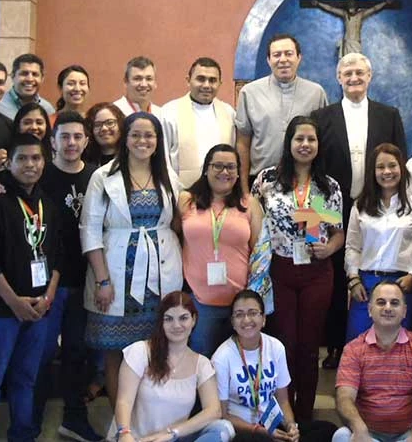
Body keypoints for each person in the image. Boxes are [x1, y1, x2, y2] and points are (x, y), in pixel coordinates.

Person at [80, 112, 183, 410]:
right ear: (124, 138)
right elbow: (90, 229)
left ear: (158, 140)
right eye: (135, 134)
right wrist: (102, 280)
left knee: (155, 351)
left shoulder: (167, 174)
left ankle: (149, 419)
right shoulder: (104, 176)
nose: (142, 141)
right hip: (116, 275)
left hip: (159, 275)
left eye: (149, 135)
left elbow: (179, 221)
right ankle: (122, 422)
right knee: (117, 353)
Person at [312, 52, 407, 369]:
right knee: (334, 277)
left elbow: (399, 161)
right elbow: (315, 170)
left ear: (370, 77)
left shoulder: (388, 115)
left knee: (373, 274)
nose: (354, 78)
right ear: (338, 77)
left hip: (377, 205)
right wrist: (318, 221)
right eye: (347, 73)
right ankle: (337, 345)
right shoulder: (322, 116)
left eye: (360, 73)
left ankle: (382, 344)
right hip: (332, 207)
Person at [0, 133, 63, 442]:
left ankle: (22, 436)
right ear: (10, 161)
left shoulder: (47, 203)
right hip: (0, 312)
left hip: (38, 310)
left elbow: (58, 256)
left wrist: (48, 297)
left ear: (44, 161)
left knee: (26, 379)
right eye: (22, 158)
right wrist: (14, 302)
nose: (30, 165)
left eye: (36, 158)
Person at [250, 115, 343, 422]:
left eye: (311, 140)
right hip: (280, 271)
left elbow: (338, 231)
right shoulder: (266, 181)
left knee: (309, 346)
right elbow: (250, 221)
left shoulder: (328, 187)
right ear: (289, 142)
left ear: (318, 145)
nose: (305, 145)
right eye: (299, 139)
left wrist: (328, 248)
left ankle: (303, 417)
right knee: (284, 343)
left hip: (317, 272)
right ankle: (282, 411)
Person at [32, 110, 102, 441]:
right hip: (47, 281)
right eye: (65, 136)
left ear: (86, 141)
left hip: (85, 279)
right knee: (42, 353)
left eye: (77, 137)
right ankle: (30, 421)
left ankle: (74, 418)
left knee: (77, 352)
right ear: (53, 141)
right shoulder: (40, 175)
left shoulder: (96, 176)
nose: (71, 143)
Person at [212, 290, 337, 441]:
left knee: (328, 429)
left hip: (272, 425)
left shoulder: (275, 347)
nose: (246, 320)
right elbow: (223, 414)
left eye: (253, 313)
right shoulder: (222, 357)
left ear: (263, 319)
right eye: (239, 314)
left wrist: (291, 426)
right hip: (245, 431)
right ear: (232, 322)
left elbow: (283, 400)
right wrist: (259, 431)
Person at [115, 291, 234, 442]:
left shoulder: (202, 364)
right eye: (169, 319)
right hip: (138, 440)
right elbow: (123, 401)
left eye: (183, 318)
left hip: (174, 438)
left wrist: (172, 433)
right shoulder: (140, 351)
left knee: (223, 428)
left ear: (194, 320)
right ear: (161, 323)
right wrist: (125, 433)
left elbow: (214, 411)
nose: (176, 325)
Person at [333, 281, 412, 442]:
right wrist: (359, 427)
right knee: (341, 436)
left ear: (404, 311)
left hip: (409, 435)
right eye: (380, 302)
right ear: (370, 310)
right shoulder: (353, 349)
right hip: (368, 435)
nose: (387, 308)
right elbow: (344, 398)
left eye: (394, 303)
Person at [180, 144, 263, 357]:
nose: (224, 172)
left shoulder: (249, 204)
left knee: (236, 363)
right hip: (199, 302)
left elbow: (259, 252)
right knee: (201, 363)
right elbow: (174, 238)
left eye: (230, 167)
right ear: (206, 169)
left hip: (239, 304)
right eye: (218, 166)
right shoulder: (186, 200)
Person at [344, 143, 412, 342]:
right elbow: (352, 246)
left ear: (401, 168)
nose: (387, 172)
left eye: (392, 166)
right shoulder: (361, 205)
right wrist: (354, 279)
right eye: (380, 167)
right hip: (366, 285)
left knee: (399, 347)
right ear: (372, 172)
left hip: (403, 284)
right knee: (358, 342)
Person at [235, 34, 328, 190]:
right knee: (261, 216)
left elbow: (323, 141)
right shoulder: (249, 93)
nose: (283, 59)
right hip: (261, 181)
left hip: (306, 182)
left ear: (299, 58)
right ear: (268, 60)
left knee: (312, 216)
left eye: (289, 54)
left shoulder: (316, 93)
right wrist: (244, 188)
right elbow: (243, 142)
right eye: (276, 55)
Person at [161, 57, 237, 187]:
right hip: (182, 191)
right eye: (201, 79)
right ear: (188, 80)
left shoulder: (228, 112)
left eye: (212, 80)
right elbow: (163, 159)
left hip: (221, 191)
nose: (206, 85)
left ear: (220, 84)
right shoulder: (169, 112)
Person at [0, 53, 56, 120]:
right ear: (12, 76)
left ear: (42, 78)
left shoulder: (48, 110)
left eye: (35, 74)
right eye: (24, 73)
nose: (30, 79)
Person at [83, 101, 126, 166]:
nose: (104, 128)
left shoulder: (131, 158)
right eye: (97, 125)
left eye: (110, 123)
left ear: (120, 125)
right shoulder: (84, 161)